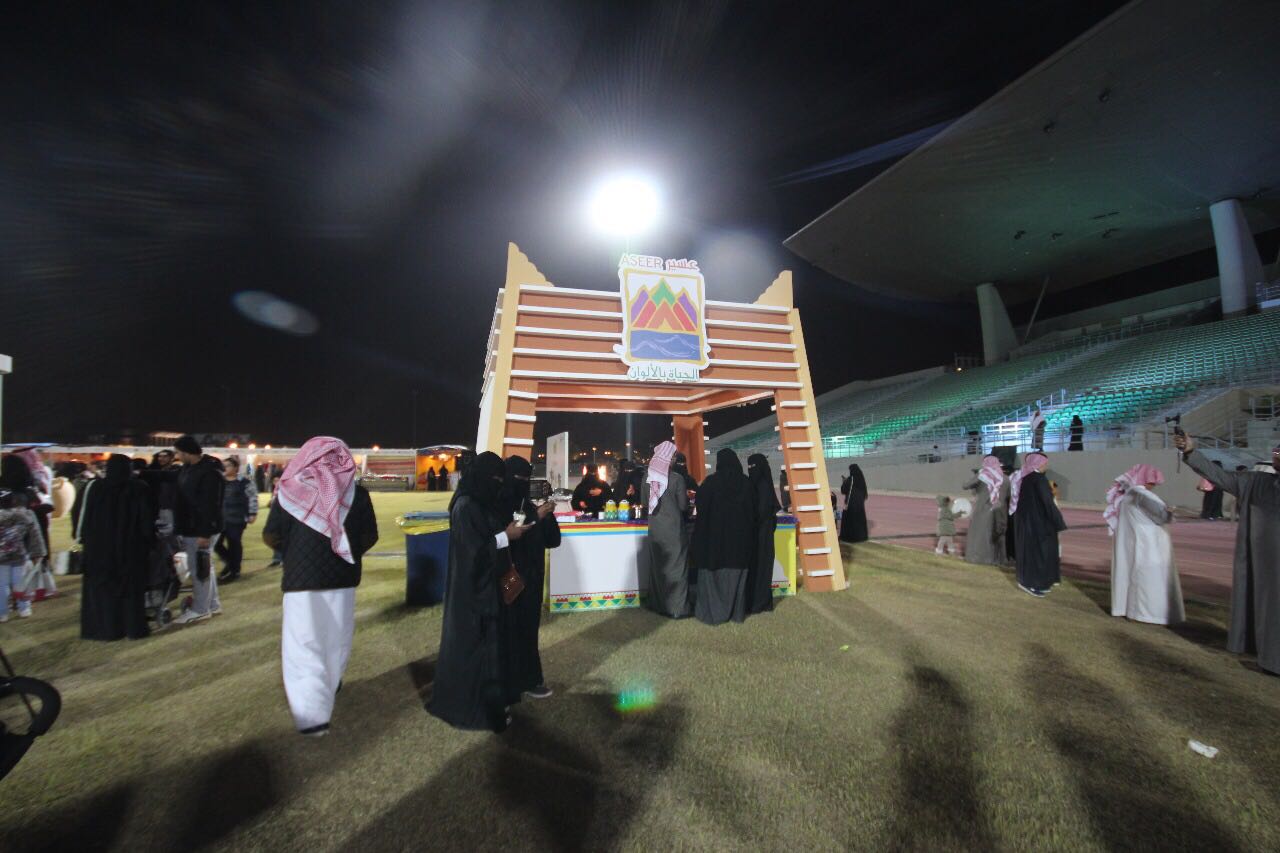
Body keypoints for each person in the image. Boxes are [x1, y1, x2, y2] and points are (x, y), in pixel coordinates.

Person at [263, 437, 378, 737]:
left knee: (304, 644)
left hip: (302, 581)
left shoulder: (290, 490)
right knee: (335, 637)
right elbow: (369, 536)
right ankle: (330, 685)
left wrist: (295, 553)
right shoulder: (358, 495)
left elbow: (272, 535)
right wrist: (345, 555)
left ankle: (312, 716)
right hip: (343, 579)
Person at [429, 452, 531, 732]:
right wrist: (505, 536)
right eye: (495, 479)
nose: (498, 484)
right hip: (471, 595)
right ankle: (472, 711)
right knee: (474, 653)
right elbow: (472, 551)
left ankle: (492, 705)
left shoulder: (478, 502)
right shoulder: (465, 506)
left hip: (484, 590)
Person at [1175, 434, 1280, 674]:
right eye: (1276, 450)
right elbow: (1220, 477)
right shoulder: (1258, 483)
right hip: (1268, 566)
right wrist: (1192, 452)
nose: (1276, 454)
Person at [77, 454, 155, 640]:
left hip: (98, 549)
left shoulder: (93, 487)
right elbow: (147, 520)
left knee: (103, 591)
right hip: (131, 549)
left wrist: (84, 539)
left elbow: (80, 516)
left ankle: (105, 629)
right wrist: (149, 541)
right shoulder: (139, 488)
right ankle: (133, 628)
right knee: (130, 591)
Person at [502, 455, 559, 702]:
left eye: (526, 479)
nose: (522, 483)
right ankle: (509, 682)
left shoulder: (529, 505)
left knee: (527, 632)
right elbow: (502, 539)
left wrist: (545, 517)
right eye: (518, 479)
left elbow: (552, 540)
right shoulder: (498, 505)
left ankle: (530, 679)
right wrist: (536, 516)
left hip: (532, 581)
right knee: (508, 631)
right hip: (508, 578)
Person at [1104, 463, 1183, 626]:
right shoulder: (1143, 495)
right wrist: (1170, 512)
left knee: (1130, 574)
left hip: (1132, 541)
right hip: (1148, 543)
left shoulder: (1127, 496)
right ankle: (1146, 614)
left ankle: (1129, 610)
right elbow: (1162, 516)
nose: (1153, 485)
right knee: (1149, 578)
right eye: (1153, 481)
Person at [691, 449, 754, 625]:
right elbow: (752, 512)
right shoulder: (746, 483)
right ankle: (736, 613)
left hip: (714, 542)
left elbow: (701, 505)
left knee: (711, 578)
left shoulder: (711, 483)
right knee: (737, 579)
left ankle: (713, 614)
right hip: (739, 543)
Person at [171, 435, 226, 625]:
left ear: (187, 452)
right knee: (205, 566)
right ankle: (212, 604)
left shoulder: (209, 472)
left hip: (200, 529)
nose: (176, 456)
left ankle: (201, 609)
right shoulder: (191, 468)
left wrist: (205, 532)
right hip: (194, 526)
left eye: (178, 452)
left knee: (198, 569)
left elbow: (211, 505)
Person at [642, 442, 692, 618]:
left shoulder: (647, 479)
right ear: (669, 459)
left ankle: (658, 605)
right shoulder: (677, 479)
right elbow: (683, 506)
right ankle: (677, 609)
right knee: (677, 568)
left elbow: (644, 504)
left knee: (658, 568)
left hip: (655, 529)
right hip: (673, 531)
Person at [1009, 452, 1067, 597]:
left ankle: (1030, 581)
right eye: (1044, 463)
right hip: (1039, 525)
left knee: (1030, 553)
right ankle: (1032, 584)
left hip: (1027, 523)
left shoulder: (1025, 478)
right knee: (1039, 555)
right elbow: (1048, 503)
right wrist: (1059, 522)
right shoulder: (1038, 480)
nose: (1046, 466)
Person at [0, 487, 46, 622]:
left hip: (1, 557)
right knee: (20, 582)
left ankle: (2, 612)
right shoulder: (26, 515)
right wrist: (39, 553)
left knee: (1, 585)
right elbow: (35, 535)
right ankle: (24, 608)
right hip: (20, 554)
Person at [746, 454, 780, 614]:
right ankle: (758, 601)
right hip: (760, 534)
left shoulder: (762, 486)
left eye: (752, 466)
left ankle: (759, 602)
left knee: (761, 568)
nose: (750, 470)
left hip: (761, 535)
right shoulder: (760, 484)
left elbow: (762, 512)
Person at [216, 457, 258, 583]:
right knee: (216, 544)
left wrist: (252, 513)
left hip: (237, 518)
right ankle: (231, 563)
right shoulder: (219, 481)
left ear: (235, 467)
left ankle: (235, 571)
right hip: (220, 518)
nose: (225, 468)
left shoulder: (244, 482)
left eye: (228, 465)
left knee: (234, 543)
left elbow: (252, 497)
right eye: (223, 465)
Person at [963, 455, 1008, 566]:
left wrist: (979, 474)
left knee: (980, 535)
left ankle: (979, 558)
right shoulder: (1005, 478)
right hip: (1000, 509)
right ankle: (999, 559)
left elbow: (965, 485)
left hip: (983, 509)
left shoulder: (982, 476)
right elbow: (1009, 494)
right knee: (998, 534)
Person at [839, 463, 869, 543]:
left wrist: (844, 482)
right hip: (860, 504)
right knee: (859, 520)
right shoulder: (861, 480)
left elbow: (843, 490)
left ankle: (849, 537)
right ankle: (861, 536)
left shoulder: (850, 479)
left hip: (851, 504)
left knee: (849, 520)